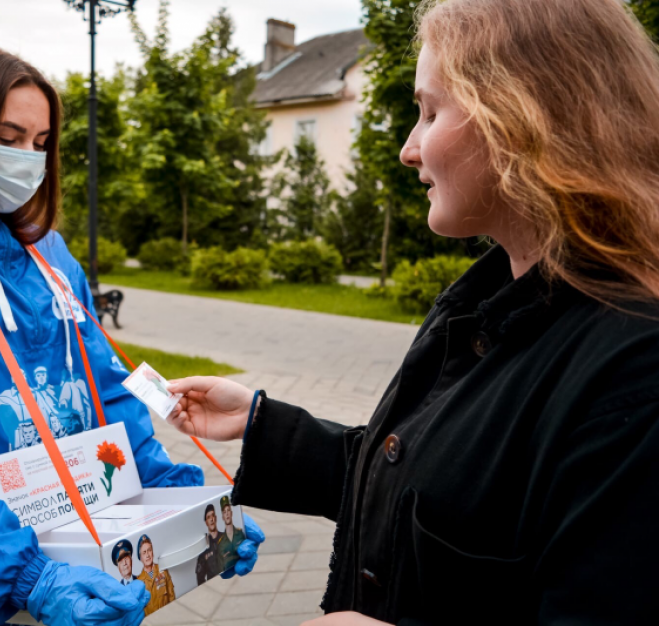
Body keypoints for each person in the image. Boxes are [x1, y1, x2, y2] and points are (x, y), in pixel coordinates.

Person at [165, 1, 659, 624]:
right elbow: (433, 490)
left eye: (429, 111)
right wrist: (262, 423)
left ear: (524, 115)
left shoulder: (634, 373)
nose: (408, 148)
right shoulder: (486, 304)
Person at [0, 45, 261, 626]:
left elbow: (106, 390)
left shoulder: (49, 253)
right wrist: (26, 575)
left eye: (39, 143)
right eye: (6, 138)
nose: (27, 159)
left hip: (85, 560)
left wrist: (185, 501)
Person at [135, 535, 175, 616]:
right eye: (144, 552)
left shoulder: (163, 571)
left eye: (149, 550)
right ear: (141, 557)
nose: (147, 555)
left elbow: (172, 596)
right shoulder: (138, 582)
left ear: (152, 552)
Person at [195, 503, 224, 584]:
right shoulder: (203, 547)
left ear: (216, 518)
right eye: (208, 517)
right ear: (206, 522)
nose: (211, 519)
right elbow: (199, 577)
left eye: (212, 516)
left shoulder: (225, 538)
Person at [217, 495, 245, 572]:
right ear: (222, 516)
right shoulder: (221, 543)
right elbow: (220, 567)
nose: (227, 514)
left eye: (228, 510)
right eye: (224, 512)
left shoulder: (240, 534)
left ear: (231, 513)